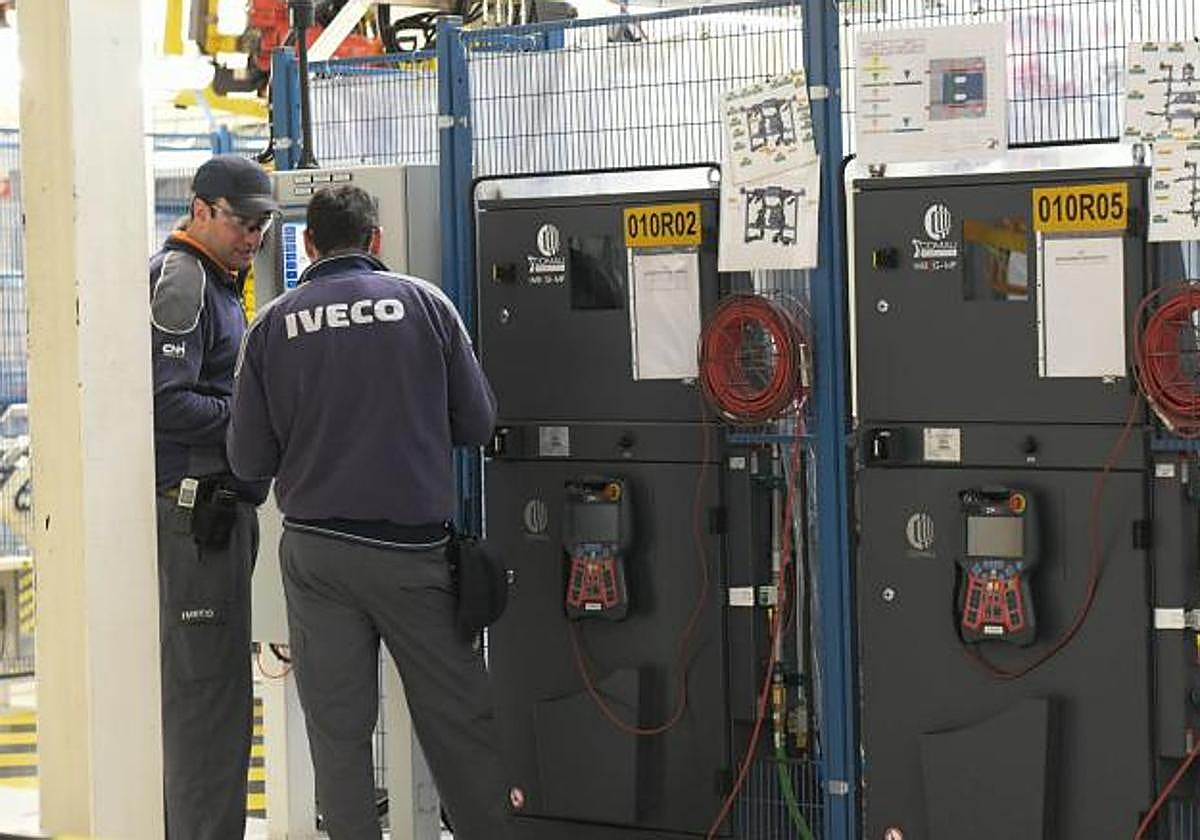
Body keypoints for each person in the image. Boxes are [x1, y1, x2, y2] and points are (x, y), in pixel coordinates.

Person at [227, 184, 507, 839]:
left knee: (338, 728)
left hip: (317, 555)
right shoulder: (426, 305)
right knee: (458, 723)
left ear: (308, 244)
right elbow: (477, 421)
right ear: (375, 239)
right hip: (413, 555)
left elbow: (247, 460)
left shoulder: (272, 325)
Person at [150, 154, 275, 839]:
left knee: (212, 695)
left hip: (213, 514)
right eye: (240, 220)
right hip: (194, 515)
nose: (252, 234)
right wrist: (254, 416)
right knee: (207, 701)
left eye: (262, 223)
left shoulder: (221, 280)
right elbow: (165, 400)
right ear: (200, 209)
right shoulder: (184, 282)